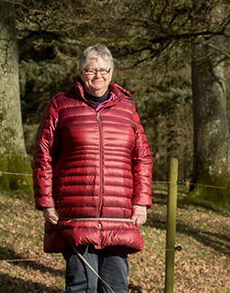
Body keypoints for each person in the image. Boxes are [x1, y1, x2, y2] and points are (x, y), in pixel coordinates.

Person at [32, 44, 153, 293]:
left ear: (111, 72)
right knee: (80, 285)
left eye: (104, 70)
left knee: (115, 286)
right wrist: (46, 202)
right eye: (91, 70)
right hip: (77, 213)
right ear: (80, 71)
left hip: (118, 215)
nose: (98, 76)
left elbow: (142, 158)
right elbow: (43, 156)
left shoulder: (127, 108)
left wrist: (141, 202)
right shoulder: (60, 105)